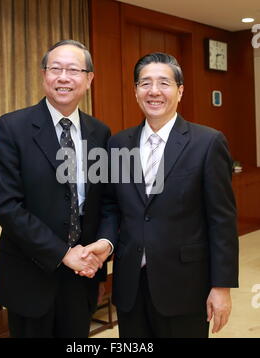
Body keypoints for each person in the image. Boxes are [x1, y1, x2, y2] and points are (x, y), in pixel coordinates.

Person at [82, 52, 239, 338]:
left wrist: (222, 286)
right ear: (135, 92)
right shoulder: (118, 144)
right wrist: (105, 244)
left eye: (164, 83)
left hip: (185, 287)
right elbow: (111, 206)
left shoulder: (207, 142)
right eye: (145, 83)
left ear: (180, 91)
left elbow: (222, 220)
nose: (154, 91)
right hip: (131, 287)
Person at [0, 40, 112, 338]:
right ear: (44, 76)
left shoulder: (100, 132)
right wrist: (62, 253)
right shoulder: (12, 128)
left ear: (89, 79)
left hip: (82, 274)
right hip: (29, 273)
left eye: (73, 70)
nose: (63, 77)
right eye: (55, 69)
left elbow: (105, 202)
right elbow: (8, 206)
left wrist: (105, 245)